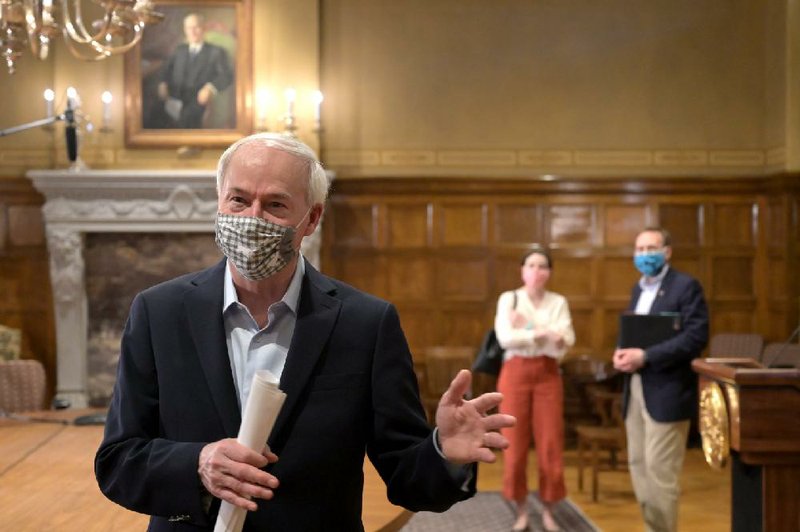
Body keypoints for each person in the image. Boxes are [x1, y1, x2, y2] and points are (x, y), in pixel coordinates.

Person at [94, 132, 516, 531]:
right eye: (238, 200)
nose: (252, 218)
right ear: (219, 202)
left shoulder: (365, 324)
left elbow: (408, 477)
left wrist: (443, 451)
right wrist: (198, 463)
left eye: (276, 205)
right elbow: (118, 461)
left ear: (311, 218)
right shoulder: (158, 312)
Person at [612, 226, 709, 532]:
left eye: (651, 248)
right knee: (639, 466)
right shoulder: (638, 289)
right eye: (639, 249)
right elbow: (637, 333)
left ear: (667, 252)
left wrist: (646, 356)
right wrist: (622, 352)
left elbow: (696, 336)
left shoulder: (685, 286)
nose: (644, 255)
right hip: (636, 387)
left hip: (667, 391)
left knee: (660, 471)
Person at [494, 247, 575, 532]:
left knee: (551, 445)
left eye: (542, 266)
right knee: (514, 447)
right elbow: (505, 339)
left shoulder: (559, 302)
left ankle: (550, 510)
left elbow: (563, 343)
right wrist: (544, 332)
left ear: (549, 272)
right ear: (522, 270)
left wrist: (527, 326)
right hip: (514, 374)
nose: (536, 271)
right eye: (531, 265)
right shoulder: (509, 298)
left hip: (548, 375)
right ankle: (521, 510)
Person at [156, 12, 234, 128]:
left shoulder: (215, 52)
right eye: (189, 28)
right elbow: (166, 70)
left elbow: (227, 75)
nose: (192, 31)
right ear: (185, 30)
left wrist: (210, 88)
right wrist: (162, 83)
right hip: (174, 100)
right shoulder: (179, 50)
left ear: (203, 28)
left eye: (196, 27)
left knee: (188, 122)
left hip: (198, 104)